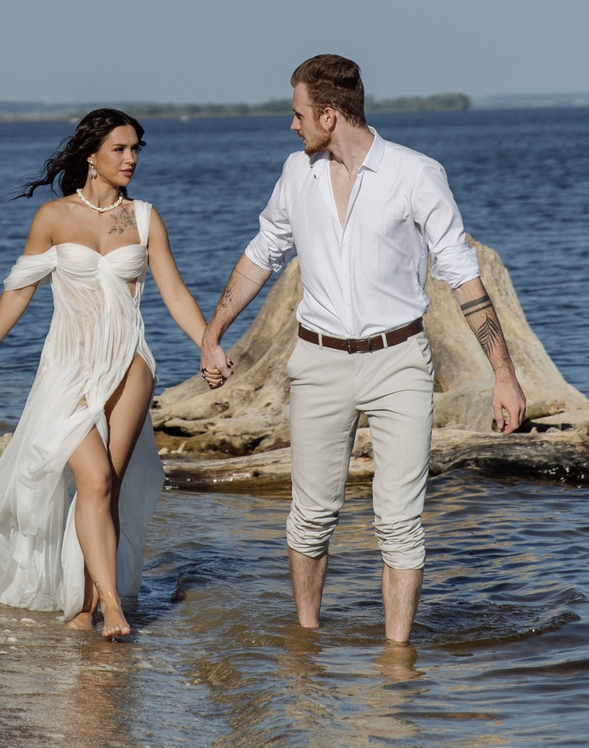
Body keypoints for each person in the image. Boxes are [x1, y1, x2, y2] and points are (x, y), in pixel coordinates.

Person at [197, 55, 525, 646]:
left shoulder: (416, 174)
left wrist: (504, 374)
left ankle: (397, 663)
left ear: (329, 113)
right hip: (318, 361)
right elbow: (261, 254)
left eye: (299, 114)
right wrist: (212, 331)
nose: (292, 126)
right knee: (311, 518)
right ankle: (306, 645)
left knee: (400, 524)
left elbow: (463, 277)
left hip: (398, 361)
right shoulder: (298, 174)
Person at [0, 109, 209, 638]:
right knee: (91, 478)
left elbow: (175, 292)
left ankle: (91, 603)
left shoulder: (144, 218)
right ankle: (107, 608)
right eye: (120, 149)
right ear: (91, 156)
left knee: (107, 488)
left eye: (136, 149)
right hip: (68, 367)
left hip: (129, 363)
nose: (131, 159)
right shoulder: (52, 216)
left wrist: (208, 344)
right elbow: (20, 288)